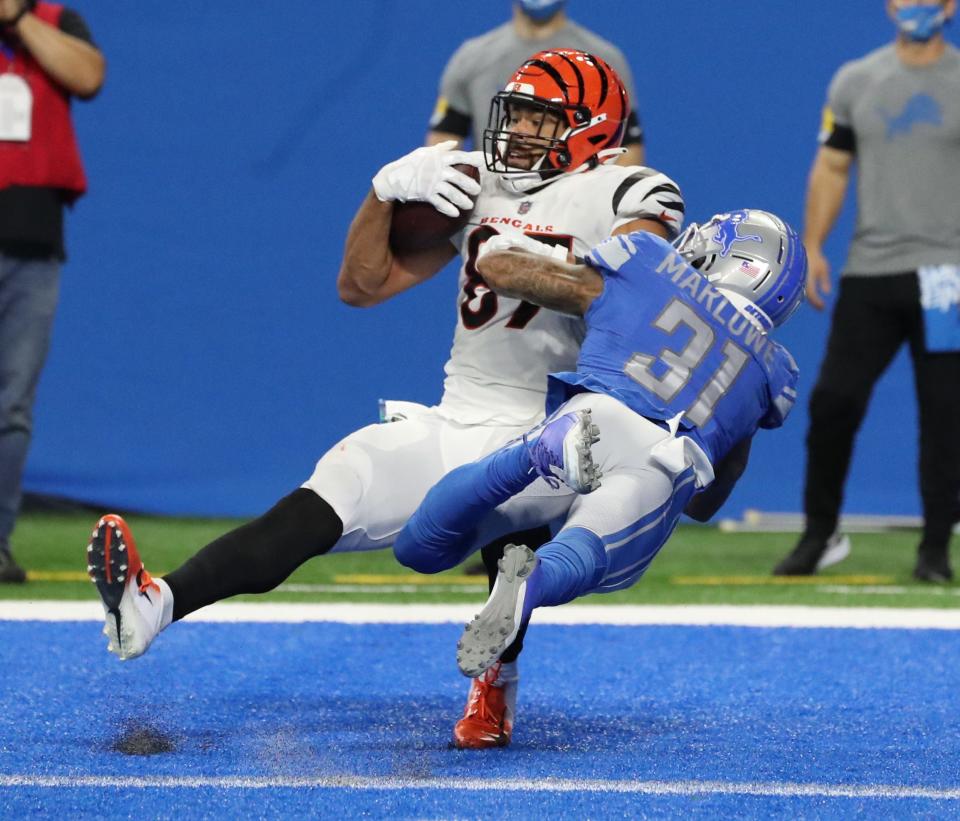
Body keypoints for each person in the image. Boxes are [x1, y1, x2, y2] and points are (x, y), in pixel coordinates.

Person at [85, 51, 684, 744]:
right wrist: (382, 192)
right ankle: (151, 605)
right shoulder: (481, 183)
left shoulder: (631, 191)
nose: (518, 128)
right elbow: (361, 285)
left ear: (589, 126)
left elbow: (632, 290)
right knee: (338, 482)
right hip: (460, 412)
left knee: (517, 484)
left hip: (563, 426)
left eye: (538, 116)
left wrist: (522, 264)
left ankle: (493, 688)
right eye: (514, 111)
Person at [393, 211, 805, 742]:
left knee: (420, 547)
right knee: (584, 557)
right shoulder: (773, 370)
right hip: (663, 461)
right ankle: (534, 582)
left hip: (592, 417)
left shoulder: (649, 264)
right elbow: (706, 504)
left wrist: (511, 250)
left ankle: (529, 457)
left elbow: (512, 274)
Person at [772, 0, 960, 583]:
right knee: (834, 401)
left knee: (946, 413)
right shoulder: (857, 79)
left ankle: (933, 551)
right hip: (871, 270)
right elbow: (832, 166)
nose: (915, 6)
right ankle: (818, 535)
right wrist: (815, 246)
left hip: (946, 279)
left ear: (950, 6)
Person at [0, 0, 104, 583]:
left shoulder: (55, 20)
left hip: (33, 245)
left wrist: (18, 21)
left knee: (11, 406)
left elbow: (87, 76)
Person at [427, 0, 645, 166]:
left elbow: (627, 148)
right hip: (492, 202)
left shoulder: (603, 60)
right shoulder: (471, 57)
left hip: (573, 205)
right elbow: (443, 142)